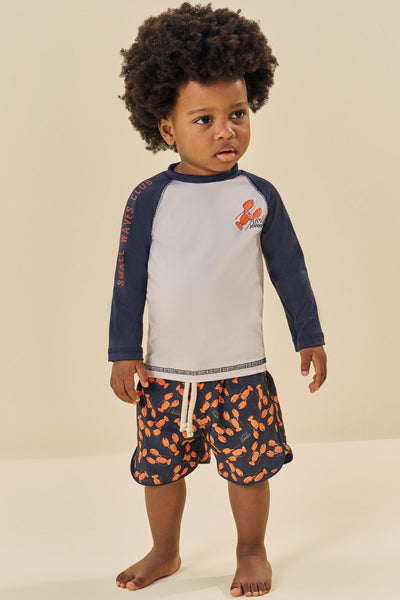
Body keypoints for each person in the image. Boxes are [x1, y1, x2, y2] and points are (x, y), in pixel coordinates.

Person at [108, 3, 327, 597]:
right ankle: (165, 551)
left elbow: (290, 271)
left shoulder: (259, 196)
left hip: (241, 372)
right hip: (165, 375)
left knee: (250, 471)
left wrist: (309, 336)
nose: (226, 130)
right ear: (166, 129)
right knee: (158, 471)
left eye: (238, 114)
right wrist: (123, 350)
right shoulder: (149, 199)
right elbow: (128, 280)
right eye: (203, 119)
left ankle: (251, 551)